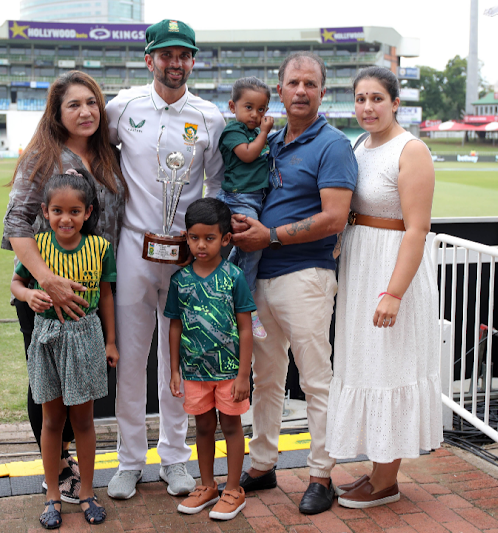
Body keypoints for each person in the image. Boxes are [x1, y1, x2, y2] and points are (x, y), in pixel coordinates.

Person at [226, 51, 357, 515]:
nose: (301, 90)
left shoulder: (333, 144)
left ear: (322, 93)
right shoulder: (273, 140)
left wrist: (272, 235)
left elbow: (335, 217)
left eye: (310, 84)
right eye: (293, 83)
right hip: (259, 280)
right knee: (266, 377)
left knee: (316, 379)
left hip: (305, 279)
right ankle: (262, 464)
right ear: (278, 90)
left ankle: (322, 474)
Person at [104, 19, 225, 500]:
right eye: (166, 54)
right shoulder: (122, 107)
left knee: (178, 357)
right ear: (149, 59)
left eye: (184, 55)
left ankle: (175, 458)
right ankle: (130, 461)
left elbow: (214, 183)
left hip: (185, 255)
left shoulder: (210, 116)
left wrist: (207, 241)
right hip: (134, 246)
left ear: (193, 61)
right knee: (131, 361)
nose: (175, 63)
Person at [2, 70, 126, 506]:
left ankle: (73, 465)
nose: (85, 111)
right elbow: (15, 222)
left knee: (83, 384)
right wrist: (48, 279)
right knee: (47, 385)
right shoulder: (44, 154)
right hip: (44, 290)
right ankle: (55, 470)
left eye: (91, 102)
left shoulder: (110, 153)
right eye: (73, 104)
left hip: (93, 291)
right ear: (57, 113)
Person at [326, 66, 442, 509]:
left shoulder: (411, 150)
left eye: (377, 98)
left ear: (395, 102)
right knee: (365, 363)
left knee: (388, 364)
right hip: (360, 265)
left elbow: (416, 230)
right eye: (360, 99)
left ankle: (387, 480)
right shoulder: (359, 145)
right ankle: (378, 469)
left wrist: (393, 292)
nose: (368, 107)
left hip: (393, 268)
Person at [11, 172, 119, 528]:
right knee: (52, 420)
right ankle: (53, 496)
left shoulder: (100, 247)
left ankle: (86, 492)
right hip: (48, 336)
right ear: (45, 211)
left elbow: (105, 296)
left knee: (84, 421)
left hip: (86, 334)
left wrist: (111, 341)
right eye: (57, 210)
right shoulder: (37, 246)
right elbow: (16, 283)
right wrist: (29, 295)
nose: (66, 218)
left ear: (88, 212)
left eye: (74, 211)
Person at [165, 198, 254, 521]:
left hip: (230, 372)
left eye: (209, 238)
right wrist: (174, 369)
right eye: (194, 238)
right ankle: (206, 486)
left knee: (230, 425)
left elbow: (246, 330)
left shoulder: (234, 278)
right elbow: (174, 326)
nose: (200, 245)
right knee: (202, 427)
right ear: (186, 237)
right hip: (194, 372)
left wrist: (244, 375)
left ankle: (233, 489)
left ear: (226, 239)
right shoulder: (180, 281)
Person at [216, 77, 273, 340]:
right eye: (249, 107)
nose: (255, 114)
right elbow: (249, 154)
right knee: (253, 249)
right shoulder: (233, 131)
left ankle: (227, 289)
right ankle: (247, 309)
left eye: (261, 109)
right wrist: (264, 133)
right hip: (239, 199)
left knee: (241, 252)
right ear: (232, 106)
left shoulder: (253, 132)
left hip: (253, 199)